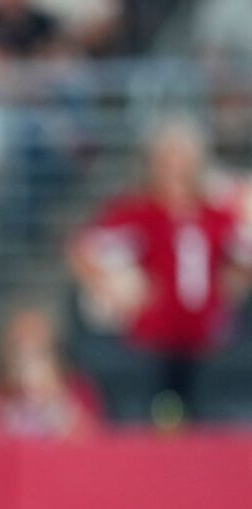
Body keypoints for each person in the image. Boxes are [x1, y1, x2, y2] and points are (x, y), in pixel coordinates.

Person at [68, 117, 252, 421]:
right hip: (153, 338)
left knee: (202, 422)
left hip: (207, 339)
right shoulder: (140, 211)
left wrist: (234, 282)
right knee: (158, 418)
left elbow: (241, 255)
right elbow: (84, 248)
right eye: (169, 157)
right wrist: (112, 290)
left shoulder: (216, 214)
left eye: (184, 158)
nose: (176, 168)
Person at [0, 305, 105, 440]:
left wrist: (57, 402)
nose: (29, 361)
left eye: (39, 351)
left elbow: (96, 444)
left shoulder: (79, 389)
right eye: (19, 350)